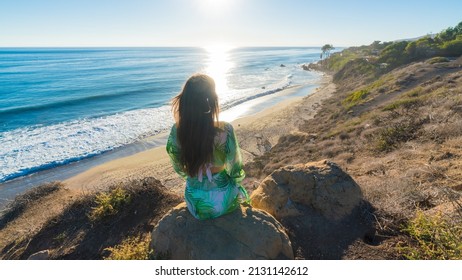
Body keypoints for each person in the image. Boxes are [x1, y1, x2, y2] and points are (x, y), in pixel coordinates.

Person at [166, 73, 250, 220]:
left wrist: (192, 175)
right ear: (211, 101)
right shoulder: (225, 129)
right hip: (221, 199)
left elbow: (178, 165)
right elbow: (234, 166)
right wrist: (234, 182)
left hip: (195, 202)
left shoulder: (177, 130)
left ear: (185, 100)